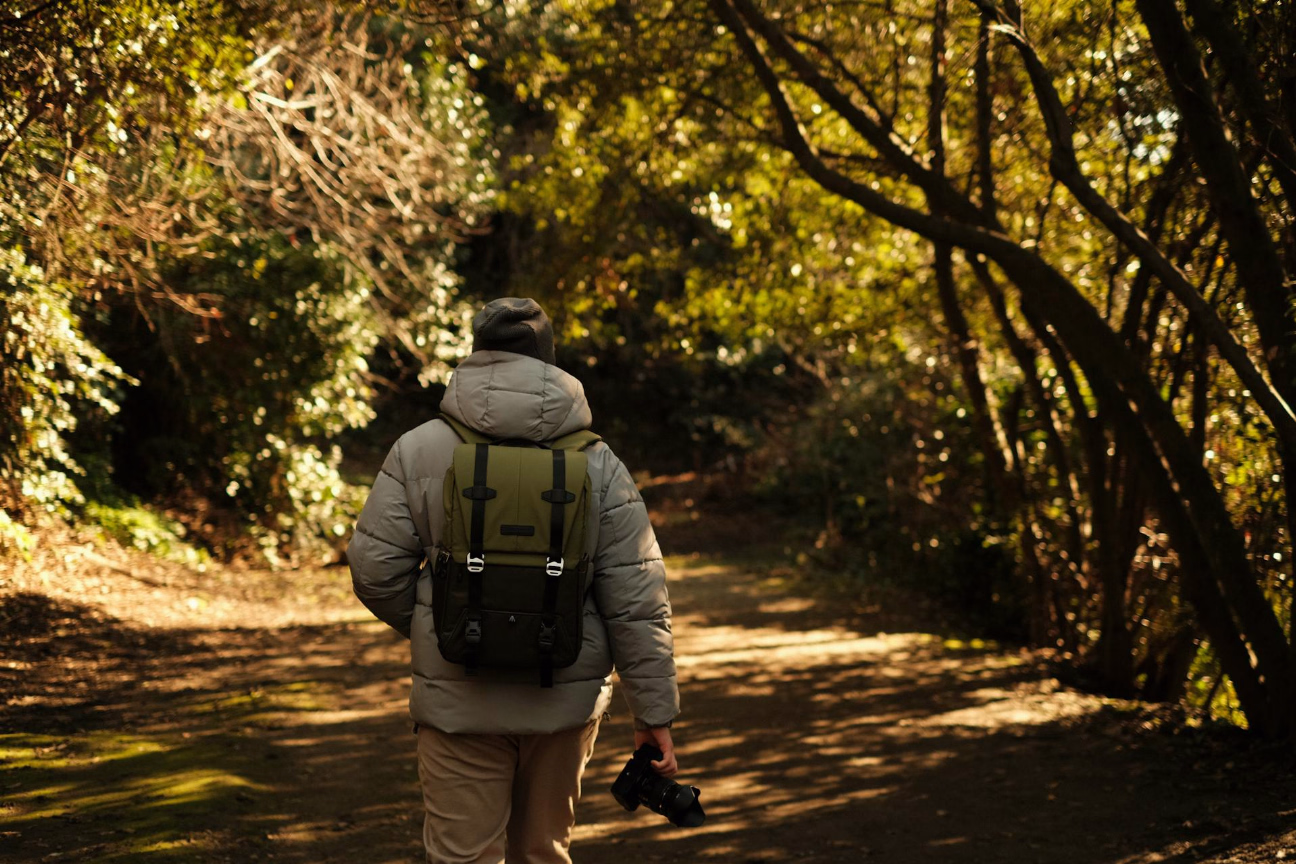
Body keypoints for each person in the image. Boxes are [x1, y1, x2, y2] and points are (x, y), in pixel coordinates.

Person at [347, 297, 680, 864]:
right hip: (563, 702)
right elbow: (637, 599)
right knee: (543, 853)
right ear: (550, 364)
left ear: (477, 357)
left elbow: (376, 570)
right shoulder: (599, 463)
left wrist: (448, 621)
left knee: (461, 857)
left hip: (459, 702)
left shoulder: (419, 449)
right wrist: (653, 716)